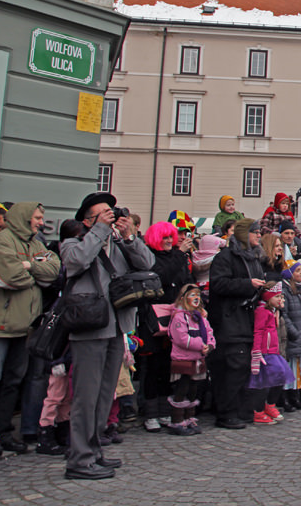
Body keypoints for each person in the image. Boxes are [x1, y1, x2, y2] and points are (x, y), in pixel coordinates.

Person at [61, 192, 153, 480]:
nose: (110, 217)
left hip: (116, 327)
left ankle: (94, 451)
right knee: (86, 398)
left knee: (103, 397)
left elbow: (147, 263)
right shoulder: (72, 243)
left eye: (111, 213)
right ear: (88, 220)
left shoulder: (117, 245)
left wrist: (129, 237)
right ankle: (78, 460)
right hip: (90, 328)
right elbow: (76, 262)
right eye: (103, 214)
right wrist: (99, 229)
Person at [0, 200, 60, 453]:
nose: (42, 223)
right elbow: (10, 278)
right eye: (37, 218)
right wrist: (35, 271)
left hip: (23, 327)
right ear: (24, 217)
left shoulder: (35, 245)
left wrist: (30, 265)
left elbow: (52, 270)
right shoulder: (0, 242)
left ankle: (4, 431)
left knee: (13, 380)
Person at [207, 217, 273, 430]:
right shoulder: (225, 257)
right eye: (255, 232)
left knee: (243, 368)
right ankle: (226, 413)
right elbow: (218, 284)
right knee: (232, 368)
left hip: (247, 319)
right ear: (246, 234)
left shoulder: (253, 258)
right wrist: (247, 284)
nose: (259, 236)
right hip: (229, 320)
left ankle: (239, 410)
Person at [138, 221, 192, 433]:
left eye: (172, 237)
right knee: (152, 368)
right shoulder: (151, 258)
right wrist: (180, 255)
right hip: (154, 320)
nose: (170, 241)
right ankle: (150, 413)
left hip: (175, 318)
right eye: (165, 238)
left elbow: (185, 282)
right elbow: (163, 277)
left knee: (168, 367)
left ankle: (164, 410)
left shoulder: (177, 258)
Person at [166, 284, 214, 436]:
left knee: (194, 389)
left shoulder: (200, 317)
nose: (196, 298)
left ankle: (189, 418)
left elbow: (209, 332)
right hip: (184, 359)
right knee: (182, 388)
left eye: (198, 295)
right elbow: (181, 338)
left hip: (198, 359)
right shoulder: (179, 317)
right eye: (192, 295)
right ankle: (177, 420)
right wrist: (201, 344)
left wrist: (210, 345)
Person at [249, 289, 293, 424]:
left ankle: (270, 405)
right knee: (265, 382)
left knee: (282, 375)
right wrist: (256, 351)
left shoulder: (274, 312)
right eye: (278, 297)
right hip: (265, 352)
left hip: (274, 351)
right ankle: (258, 411)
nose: (281, 300)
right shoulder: (262, 311)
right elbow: (258, 331)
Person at [280, 261, 301, 411]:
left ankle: (296, 396)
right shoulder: (285, 291)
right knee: (289, 368)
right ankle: (286, 398)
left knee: (298, 368)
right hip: (293, 336)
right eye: (298, 270)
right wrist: (294, 332)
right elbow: (284, 315)